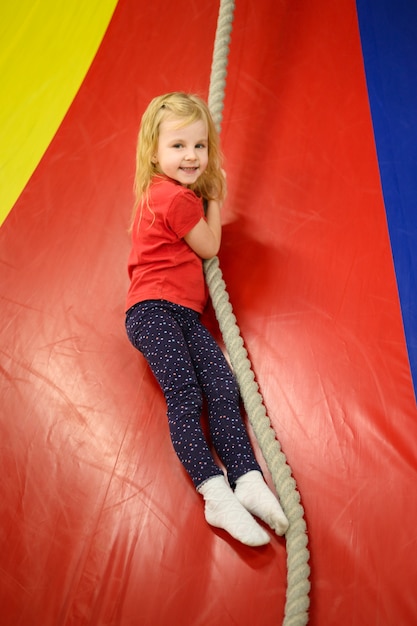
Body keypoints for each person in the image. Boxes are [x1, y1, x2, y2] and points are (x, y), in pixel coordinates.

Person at [125, 92, 289, 546]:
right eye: (178, 146)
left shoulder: (167, 194)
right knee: (186, 394)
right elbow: (210, 245)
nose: (192, 156)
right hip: (153, 311)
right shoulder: (175, 199)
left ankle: (246, 477)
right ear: (153, 152)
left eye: (200, 146)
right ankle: (214, 491)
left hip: (181, 314)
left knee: (223, 385)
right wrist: (215, 197)